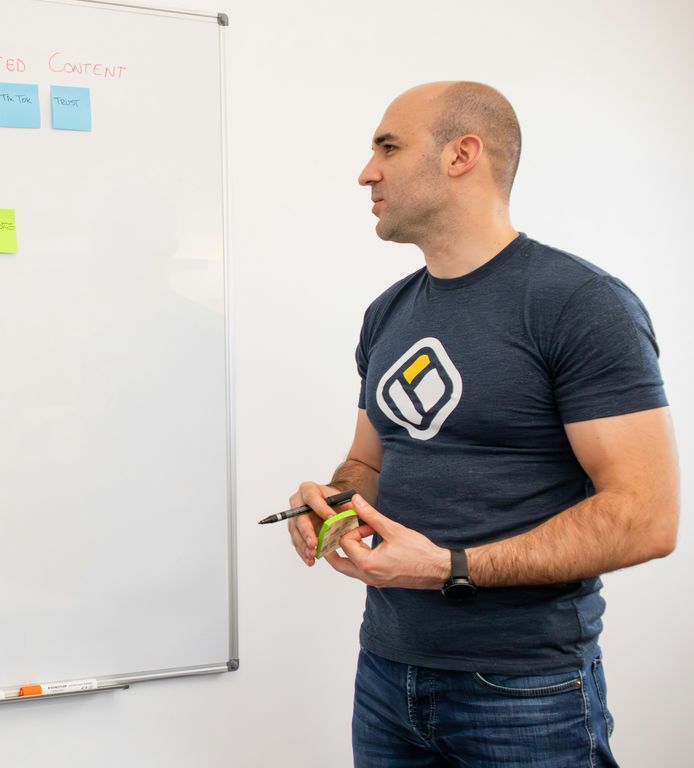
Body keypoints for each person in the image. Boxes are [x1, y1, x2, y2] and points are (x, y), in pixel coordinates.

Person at [286, 82, 679, 767]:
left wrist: (449, 568)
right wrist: (334, 502)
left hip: (526, 690)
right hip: (387, 671)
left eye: (388, 147)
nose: (366, 171)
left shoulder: (580, 305)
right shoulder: (388, 313)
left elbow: (646, 517)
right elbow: (369, 463)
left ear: (462, 155)